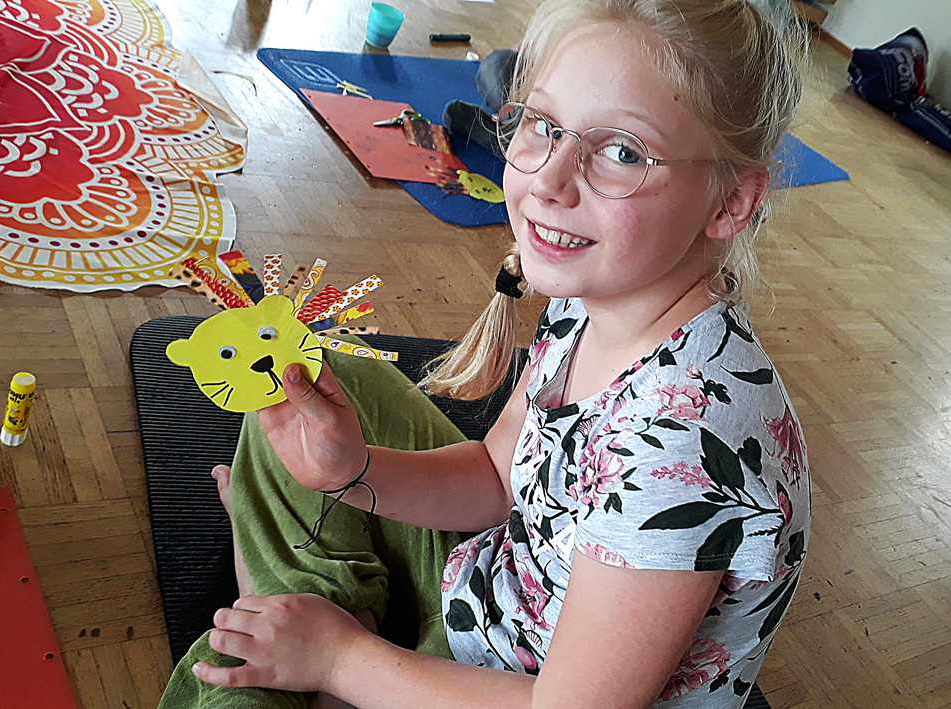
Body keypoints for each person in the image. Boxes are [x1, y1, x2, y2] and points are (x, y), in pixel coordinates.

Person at [159, 0, 811, 706]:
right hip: (495, 592)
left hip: (526, 688)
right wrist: (352, 472)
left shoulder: (683, 448)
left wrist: (342, 659)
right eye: (544, 126)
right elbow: (500, 478)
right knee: (304, 383)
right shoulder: (599, 295)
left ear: (729, 202)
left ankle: (302, 603)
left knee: (225, 684)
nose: (549, 182)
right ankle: (317, 613)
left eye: (623, 152)